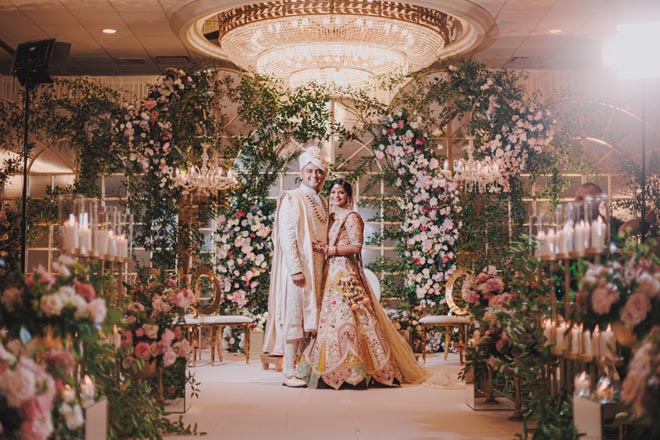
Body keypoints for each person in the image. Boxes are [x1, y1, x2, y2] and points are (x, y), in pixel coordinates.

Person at [297, 179, 429, 389]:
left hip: (345, 271)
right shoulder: (330, 219)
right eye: (333, 192)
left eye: (341, 193)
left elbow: (357, 247)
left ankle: (359, 372)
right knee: (330, 318)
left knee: (352, 315)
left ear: (348, 196)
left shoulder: (351, 217)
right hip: (330, 271)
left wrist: (331, 250)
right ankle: (327, 368)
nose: (336, 196)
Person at [263, 146, 329, 388]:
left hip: (319, 265)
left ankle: (305, 367)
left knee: (313, 317)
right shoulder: (292, 197)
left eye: (320, 171)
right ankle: (289, 371)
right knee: (295, 316)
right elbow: (287, 236)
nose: (316, 175)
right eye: (310, 171)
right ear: (301, 173)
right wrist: (295, 269)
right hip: (300, 268)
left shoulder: (322, 200)